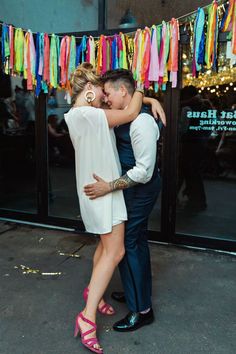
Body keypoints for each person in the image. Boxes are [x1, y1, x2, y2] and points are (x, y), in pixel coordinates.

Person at [65, 63, 164, 353]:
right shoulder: (87, 114)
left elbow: (130, 109)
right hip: (101, 189)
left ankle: (92, 296)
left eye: (108, 93)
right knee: (116, 250)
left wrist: (147, 99)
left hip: (102, 187)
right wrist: (146, 93)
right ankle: (87, 316)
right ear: (90, 92)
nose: (105, 98)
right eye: (102, 92)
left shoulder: (86, 115)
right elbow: (131, 111)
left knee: (107, 247)